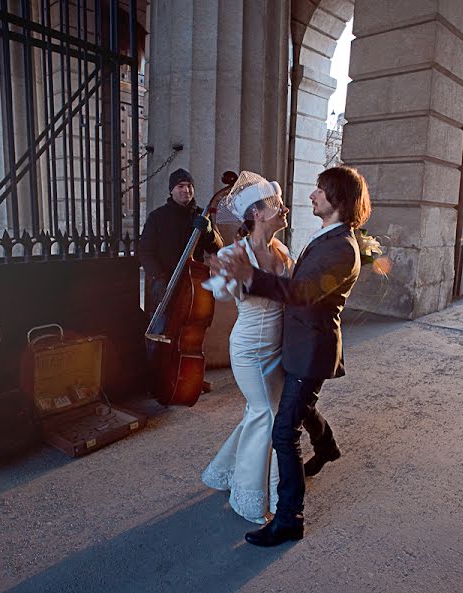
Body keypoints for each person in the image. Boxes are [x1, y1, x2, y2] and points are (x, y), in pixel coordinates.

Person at [216, 165, 371, 546]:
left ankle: (290, 519)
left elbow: (301, 292)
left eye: (319, 191)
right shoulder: (330, 237)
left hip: (309, 349)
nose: (310, 196)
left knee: (284, 431)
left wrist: (250, 277)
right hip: (288, 344)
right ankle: (327, 447)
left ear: (337, 199)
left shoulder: (339, 248)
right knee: (295, 409)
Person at [200, 173, 290, 524]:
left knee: (263, 413)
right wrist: (224, 274)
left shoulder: (282, 249)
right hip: (250, 348)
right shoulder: (233, 252)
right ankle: (249, 499)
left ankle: (224, 471)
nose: (283, 208)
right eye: (275, 204)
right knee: (265, 414)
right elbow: (220, 291)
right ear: (257, 213)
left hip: (276, 348)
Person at [137, 168, 224, 314]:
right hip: (165, 285)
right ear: (171, 190)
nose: (186, 190)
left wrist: (209, 232)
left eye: (189, 186)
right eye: (180, 186)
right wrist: (157, 277)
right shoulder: (157, 217)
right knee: (162, 327)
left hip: (193, 286)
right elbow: (145, 251)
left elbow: (219, 249)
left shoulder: (202, 215)